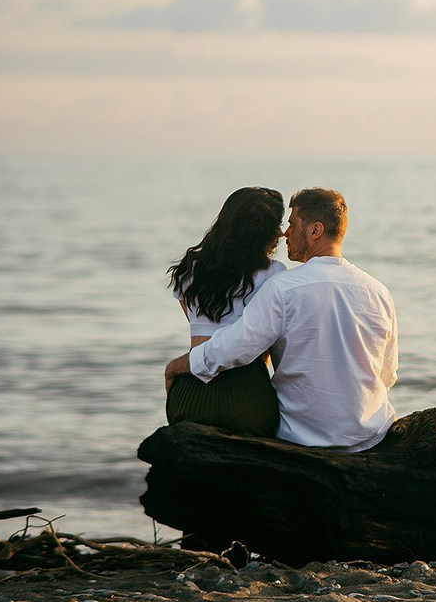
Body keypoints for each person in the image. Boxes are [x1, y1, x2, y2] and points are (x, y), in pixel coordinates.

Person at [165, 187, 398, 451]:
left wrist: (179, 365)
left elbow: (236, 346)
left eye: (291, 223)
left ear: (315, 231)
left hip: (301, 435)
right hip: (370, 433)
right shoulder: (378, 292)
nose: (285, 232)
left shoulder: (283, 288)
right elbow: (387, 374)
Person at [165, 186, 287, 437]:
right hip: (246, 396)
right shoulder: (274, 274)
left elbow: (197, 326)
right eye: (276, 225)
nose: (281, 233)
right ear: (259, 231)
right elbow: (259, 344)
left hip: (189, 393)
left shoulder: (189, 269)